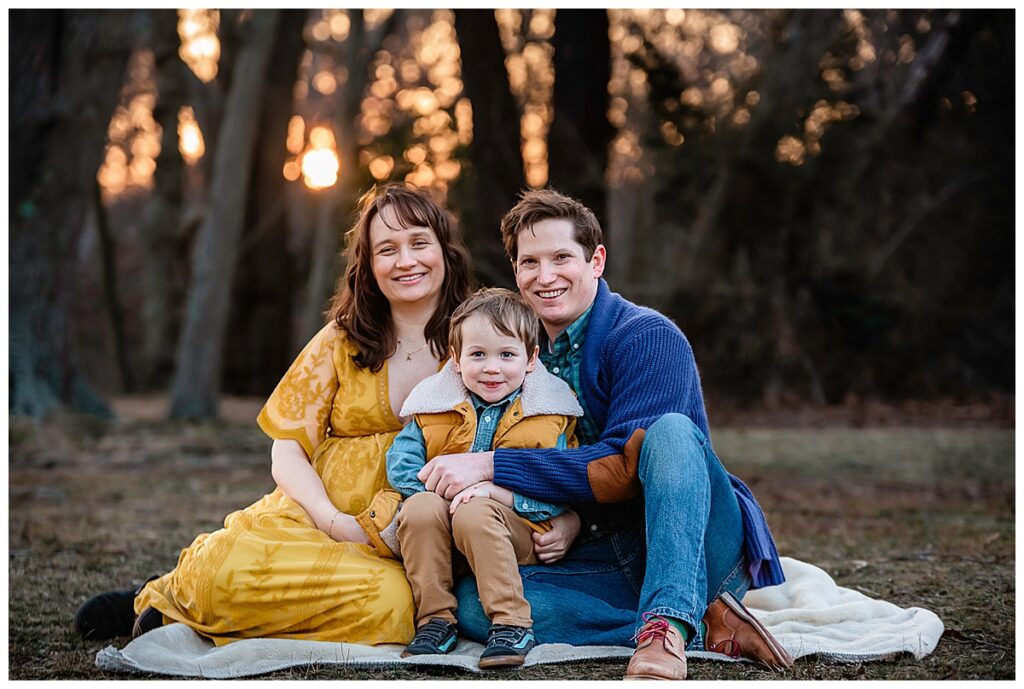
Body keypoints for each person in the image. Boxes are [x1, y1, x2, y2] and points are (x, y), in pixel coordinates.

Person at [73, 182, 482, 645]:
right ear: (368, 266)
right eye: (387, 249)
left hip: (411, 539)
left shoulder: (481, 338)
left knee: (392, 605)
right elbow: (286, 450)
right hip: (316, 522)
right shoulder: (342, 339)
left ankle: (204, 612)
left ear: (445, 251)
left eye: (419, 243)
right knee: (226, 568)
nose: (405, 261)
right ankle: (166, 597)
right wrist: (331, 520)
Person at [416, 189, 795, 680]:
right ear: (515, 271)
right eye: (529, 262)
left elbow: (622, 464)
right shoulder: (514, 355)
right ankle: (697, 618)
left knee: (671, 433)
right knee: (475, 606)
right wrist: (571, 521)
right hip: (597, 548)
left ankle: (667, 624)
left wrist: (491, 466)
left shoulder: (647, 337)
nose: (545, 276)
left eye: (561, 258)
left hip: (688, 539)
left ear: (596, 260)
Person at [385, 287, 583, 668]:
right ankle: (435, 620)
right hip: (445, 530)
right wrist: (438, 496)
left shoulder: (549, 415)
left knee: (477, 510)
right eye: (478, 355)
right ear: (457, 361)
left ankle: (511, 623)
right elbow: (402, 460)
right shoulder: (434, 406)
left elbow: (561, 485)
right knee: (420, 507)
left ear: (530, 360)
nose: (492, 367)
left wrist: (498, 497)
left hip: (516, 531)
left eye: (506, 354)